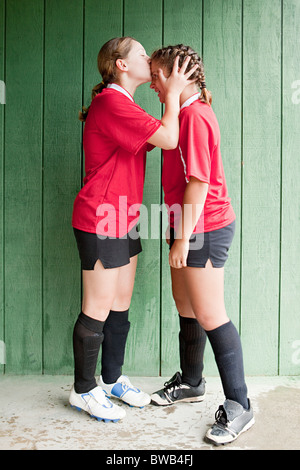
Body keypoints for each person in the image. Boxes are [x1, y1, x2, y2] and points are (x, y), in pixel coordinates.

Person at [69, 37, 198, 423]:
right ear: (121, 65)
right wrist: (174, 92)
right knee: (96, 308)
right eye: (141, 54)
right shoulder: (111, 102)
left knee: (120, 304)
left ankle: (112, 380)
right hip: (99, 217)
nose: (148, 58)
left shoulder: (126, 104)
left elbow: (161, 136)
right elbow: (170, 137)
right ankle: (83, 390)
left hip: (123, 216)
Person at [149, 44, 254, 445]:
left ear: (179, 76)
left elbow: (199, 183)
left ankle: (240, 404)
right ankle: (192, 381)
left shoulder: (195, 117)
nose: (154, 86)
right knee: (185, 304)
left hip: (202, 227)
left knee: (211, 313)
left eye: (158, 77)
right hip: (185, 224)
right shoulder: (182, 113)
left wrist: (182, 239)